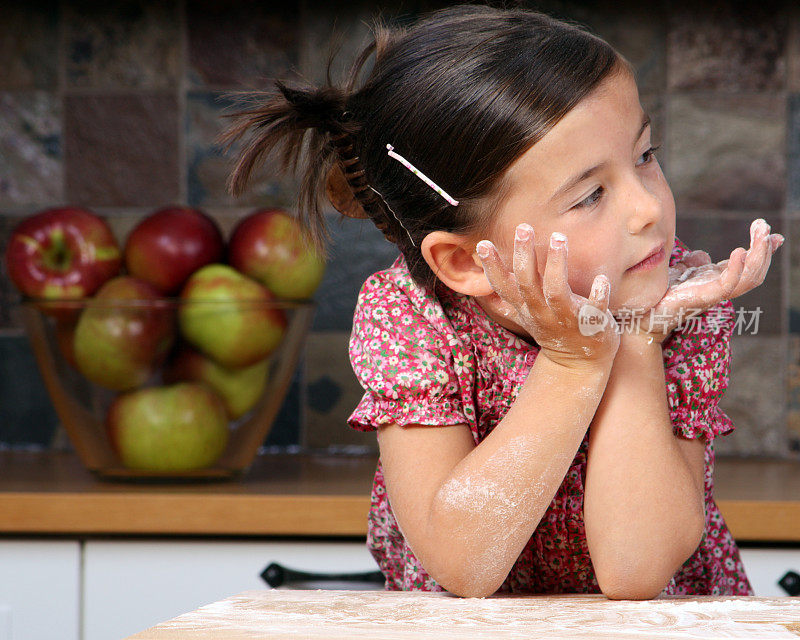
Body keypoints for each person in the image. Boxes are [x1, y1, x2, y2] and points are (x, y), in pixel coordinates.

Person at [217, 4, 783, 599]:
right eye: (590, 195)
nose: (647, 209)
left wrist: (638, 340)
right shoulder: (413, 318)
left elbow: (636, 570)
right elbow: (464, 564)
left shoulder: (673, 297)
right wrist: (573, 361)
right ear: (464, 262)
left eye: (644, 155)